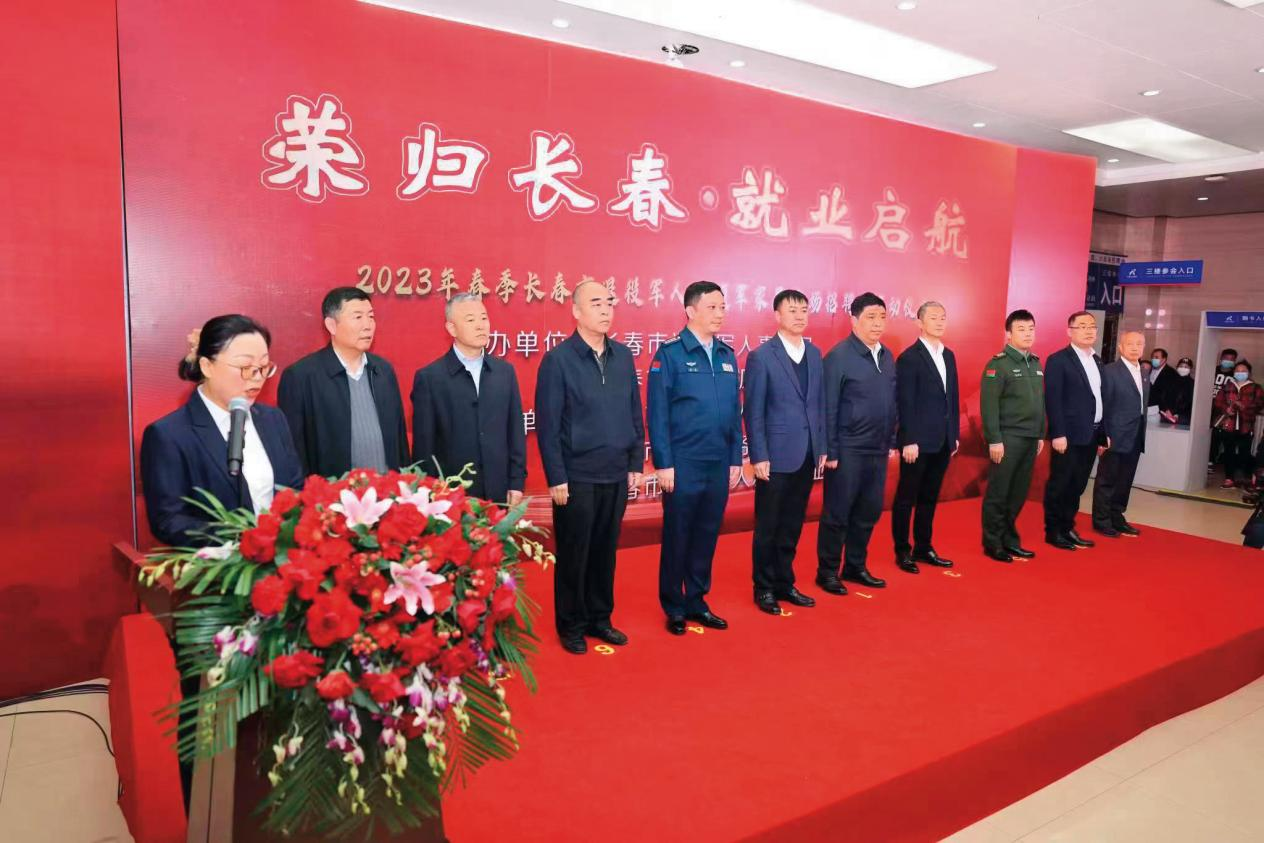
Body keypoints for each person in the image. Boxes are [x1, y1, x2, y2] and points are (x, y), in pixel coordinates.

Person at [535, 280, 644, 654]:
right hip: (577, 476)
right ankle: (571, 625)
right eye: (595, 303)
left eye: (609, 302)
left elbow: (634, 411)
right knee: (574, 553)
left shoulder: (623, 356)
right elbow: (548, 426)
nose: (605, 309)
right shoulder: (558, 360)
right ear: (576, 311)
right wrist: (557, 476)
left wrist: (635, 461)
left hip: (615, 471)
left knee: (605, 551)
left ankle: (600, 618)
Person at [141, 315, 303, 548]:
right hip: (221, 564)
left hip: (282, 560)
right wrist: (242, 539)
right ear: (207, 366)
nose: (257, 378)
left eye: (263, 368)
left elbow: (295, 488)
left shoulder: (273, 419)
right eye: (245, 367)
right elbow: (168, 521)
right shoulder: (168, 435)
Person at [647, 280, 743, 635]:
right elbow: (658, 414)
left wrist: (735, 458)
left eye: (723, 307)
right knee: (678, 534)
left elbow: (734, 412)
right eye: (712, 307)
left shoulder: (727, 355)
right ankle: (674, 605)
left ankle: (697, 601)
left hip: (718, 461)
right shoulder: (670, 355)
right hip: (683, 462)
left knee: (706, 533)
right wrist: (664, 463)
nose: (720, 313)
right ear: (690, 310)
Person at [744, 289, 826, 614]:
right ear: (777, 316)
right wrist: (759, 455)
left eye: (804, 310)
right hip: (775, 456)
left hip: (806, 453)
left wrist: (821, 446)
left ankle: (784, 582)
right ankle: (764, 587)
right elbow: (753, 411)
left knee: (792, 523)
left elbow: (819, 404)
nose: (799, 316)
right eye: (792, 310)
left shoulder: (815, 354)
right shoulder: (762, 357)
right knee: (768, 525)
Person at [277, 287, 410, 477]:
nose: (368, 325)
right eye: (358, 317)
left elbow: (400, 441)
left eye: (371, 316)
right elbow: (294, 451)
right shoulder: (301, 377)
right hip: (332, 492)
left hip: (387, 489)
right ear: (331, 325)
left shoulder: (383, 371)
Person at [816, 292, 898, 593]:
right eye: (870, 317)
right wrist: (831, 450)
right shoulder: (838, 357)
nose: (878, 324)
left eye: (882, 317)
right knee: (837, 513)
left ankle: (855, 566)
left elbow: (892, 401)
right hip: (848, 447)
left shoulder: (887, 355)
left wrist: (891, 440)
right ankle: (827, 572)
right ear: (854, 321)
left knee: (868, 511)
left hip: (878, 448)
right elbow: (828, 406)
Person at [411, 293, 526, 504]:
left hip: (499, 492)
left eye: (484, 318)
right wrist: (430, 494)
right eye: (470, 320)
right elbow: (424, 448)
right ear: (452, 328)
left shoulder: (504, 372)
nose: (481, 325)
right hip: (451, 496)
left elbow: (515, 431)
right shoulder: (430, 378)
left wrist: (516, 483)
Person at [891, 300, 960, 574]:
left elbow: (952, 398)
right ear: (919, 322)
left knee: (930, 496)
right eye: (933, 317)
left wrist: (954, 435)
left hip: (942, 441)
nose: (940, 322)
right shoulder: (909, 358)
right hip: (916, 443)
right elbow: (904, 402)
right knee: (906, 497)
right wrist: (908, 439)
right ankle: (902, 550)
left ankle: (923, 546)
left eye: (943, 317)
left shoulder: (949, 355)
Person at [980, 309, 1045, 562]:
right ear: (1008, 334)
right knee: (999, 492)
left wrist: (1040, 434)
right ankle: (993, 542)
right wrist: (994, 439)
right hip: (1008, 439)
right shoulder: (998, 364)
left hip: (1030, 438)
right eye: (1021, 329)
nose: (1028, 334)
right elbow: (989, 406)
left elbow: (1040, 402)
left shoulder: (1036, 362)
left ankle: (1010, 539)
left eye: (1031, 329)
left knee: (1018, 493)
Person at [1041, 311, 1104, 551]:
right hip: (1067, 436)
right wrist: (1058, 433)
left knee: (1078, 485)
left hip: (1091, 434)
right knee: (1061, 483)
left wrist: (1103, 433)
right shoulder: (1059, 360)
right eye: (1082, 326)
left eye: (1092, 326)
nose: (1089, 330)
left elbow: (1101, 399)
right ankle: (1053, 531)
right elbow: (1053, 400)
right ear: (1070, 331)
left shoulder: (1098, 360)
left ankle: (1068, 527)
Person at [1092, 331, 1149, 537]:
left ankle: (1117, 516)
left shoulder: (1144, 372)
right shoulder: (1110, 371)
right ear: (1120, 347)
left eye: (1139, 344)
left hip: (1135, 435)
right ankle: (1101, 520)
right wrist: (1103, 434)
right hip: (1114, 435)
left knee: (1125, 480)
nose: (1135, 347)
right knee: (1107, 480)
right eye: (1130, 343)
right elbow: (1103, 405)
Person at [1213, 360, 1264, 489]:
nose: (1240, 373)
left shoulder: (1255, 388)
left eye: (1243, 371)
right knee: (1228, 451)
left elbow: (1259, 404)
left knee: (1244, 452)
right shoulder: (1228, 386)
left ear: (1249, 373)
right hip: (1229, 424)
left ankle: (1243, 479)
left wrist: (1243, 407)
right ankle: (1229, 478)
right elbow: (1218, 401)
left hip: (1246, 425)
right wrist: (1226, 409)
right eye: (1237, 371)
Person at [1160, 358, 1194, 427]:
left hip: (1183, 417)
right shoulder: (1170, 380)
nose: (1183, 368)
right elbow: (1163, 396)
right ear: (1177, 367)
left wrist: (1177, 414)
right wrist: (1166, 410)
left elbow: (1190, 402)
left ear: (1190, 369)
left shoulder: (1192, 383)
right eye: (1181, 366)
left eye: (1186, 367)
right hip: (1166, 415)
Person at [1147, 347, 1180, 412]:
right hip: (1148, 406)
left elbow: (1172, 395)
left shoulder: (1171, 373)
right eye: (1152, 357)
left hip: (1161, 409)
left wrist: (1168, 409)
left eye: (1156, 357)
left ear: (1164, 359)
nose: (1153, 359)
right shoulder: (1150, 368)